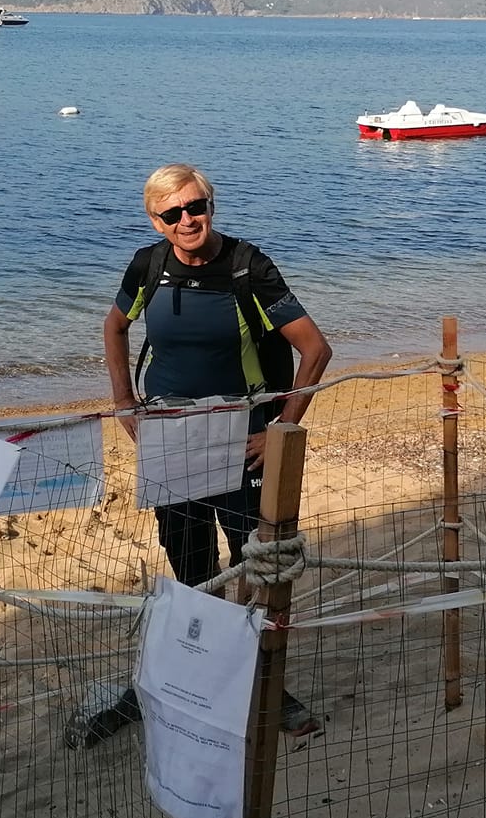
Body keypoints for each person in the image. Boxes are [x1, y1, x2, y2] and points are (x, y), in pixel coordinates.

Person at [91, 164, 332, 742]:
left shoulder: (249, 267)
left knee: (253, 565)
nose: (186, 220)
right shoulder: (148, 265)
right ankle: (191, 676)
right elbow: (113, 328)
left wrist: (278, 432)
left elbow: (316, 351)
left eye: (194, 207)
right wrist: (124, 400)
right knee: (191, 567)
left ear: (210, 205)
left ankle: (263, 686)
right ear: (156, 219)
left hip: (241, 437)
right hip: (169, 434)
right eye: (171, 213)